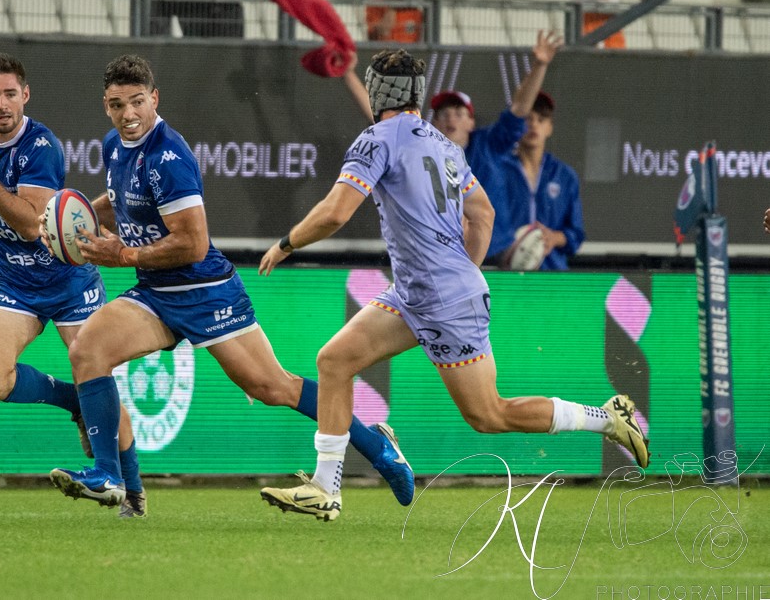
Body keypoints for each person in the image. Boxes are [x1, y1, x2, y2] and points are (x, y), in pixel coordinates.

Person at [257, 49, 648, 521]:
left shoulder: (374, 140)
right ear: (418, 95)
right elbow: (483, 214)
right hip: (419, 293)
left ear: (379, 89)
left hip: (440, 298)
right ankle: (326, 486)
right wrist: (466, 269)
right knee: (335, 361)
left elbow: (337, 211)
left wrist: (287, 242)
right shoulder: (444, 146)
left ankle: (606, 418)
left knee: (489, 415)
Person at [44, 54, 414, 510]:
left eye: (137, 102)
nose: (128, 114)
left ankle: (376, 444)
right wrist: (76, 219)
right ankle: (119, 484)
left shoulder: (170, 156)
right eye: (118, 105)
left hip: (206, 291)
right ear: (106, 105)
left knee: (272, 387)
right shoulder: (114, 146)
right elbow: (119, 199)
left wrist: (120, 253)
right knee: (87, 350)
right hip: (157, 293)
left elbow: (193, 245)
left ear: (154, 98)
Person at [0, 53, 145, 519]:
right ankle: (72, 400)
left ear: (25, 95)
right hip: (15, 280)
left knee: (98, 375)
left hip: (68, 280)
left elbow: (31, 224)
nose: (2, 104)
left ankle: (133, 493)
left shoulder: (43, 147)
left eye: (10, 93)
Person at [429, 30, 562, 263]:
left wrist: (540, 65)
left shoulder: (488, 144)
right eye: (444, 114)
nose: (451, 120)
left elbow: (519, 109)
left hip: (497, 256)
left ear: (471, 122)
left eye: (459, 113)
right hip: (445, 260)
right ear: (433, 123)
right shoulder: (422, 155)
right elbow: (381, 124)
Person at [492, 92, 584, 270]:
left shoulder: (565, 176)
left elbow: (576, 234)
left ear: (550, 127)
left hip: (552, 276)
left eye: (541, 119)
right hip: (507, 275)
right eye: (527, 118)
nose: (533, 124)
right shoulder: (499, 171)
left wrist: (554, 238)